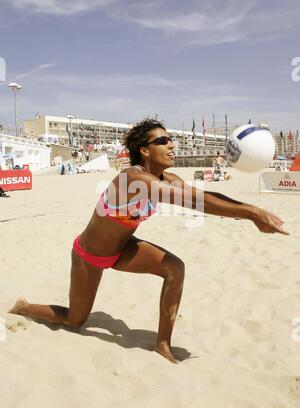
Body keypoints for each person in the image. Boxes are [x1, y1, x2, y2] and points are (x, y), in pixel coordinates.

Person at [9, 118, 289, 364]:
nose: (172, 145)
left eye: (172, 140)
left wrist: (251, 213)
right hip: (89, 256)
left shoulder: (167, 178)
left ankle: (162, 343)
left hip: (122, 251)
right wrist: (251, 212)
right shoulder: (133, 178)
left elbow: (203, 196)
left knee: (175, 268)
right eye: (164, 140)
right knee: (75, 320)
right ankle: (24, 306)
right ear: (144, 150)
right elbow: (194, 202)